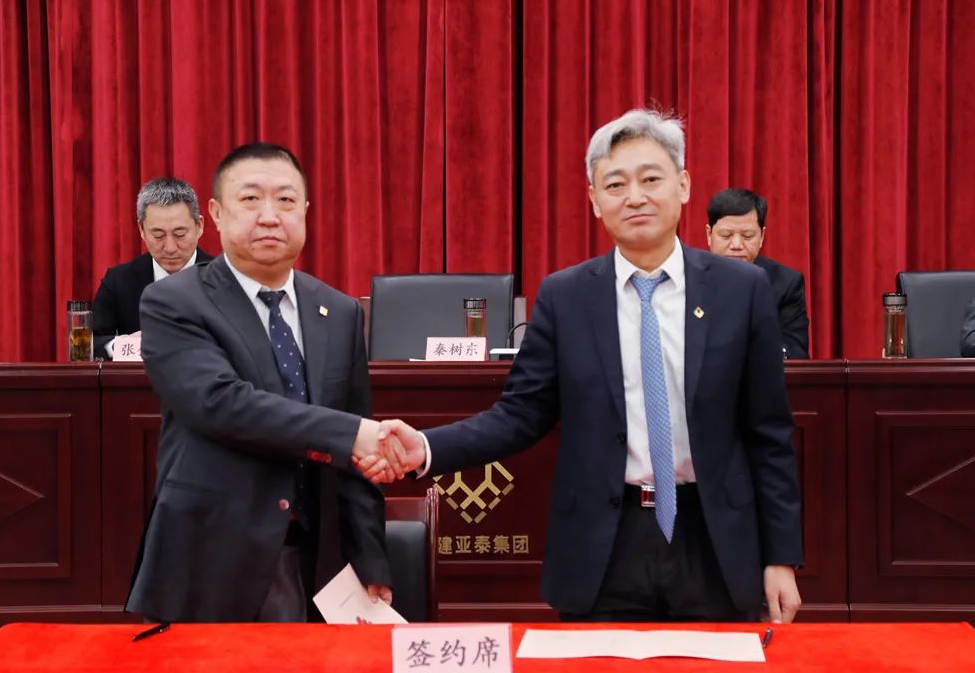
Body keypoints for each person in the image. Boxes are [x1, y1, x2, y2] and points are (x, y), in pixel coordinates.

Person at [361, 109, 803, 624]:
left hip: (714, 541)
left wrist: (780, 556)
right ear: (594, 200)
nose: (634, 197)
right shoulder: (566, 296)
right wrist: (427, 446)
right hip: (605, 545)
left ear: (683, 186)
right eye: (615, 184)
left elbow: (768, 432)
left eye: (651, 179)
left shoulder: (742, 291)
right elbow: (520, 415)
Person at [126, 143, 394, 623]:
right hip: (212, 557)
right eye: (250, 199)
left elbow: (357, 454)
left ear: (305, 211)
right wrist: (353, 433)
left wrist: (370, 559)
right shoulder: (173, 302)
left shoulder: (340, 311)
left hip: (316, 559)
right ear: (216, 213)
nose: (270, 216)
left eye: (286, 200)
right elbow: (222, 403)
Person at [92, 177, 212, 359]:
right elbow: (90, 345)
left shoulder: (225, 280)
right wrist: (127, 345)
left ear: (199, 226)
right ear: (141, 229)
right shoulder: (119, 282)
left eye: (180, 234)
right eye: (158, 235)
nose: (170, 248)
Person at [705, 188, 810, 359]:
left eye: (747, 236)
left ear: (762, 237)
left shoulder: (786, 284)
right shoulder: (688, 278)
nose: (736, 245)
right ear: (709, 235)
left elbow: (795, 353)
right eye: (726, 235)